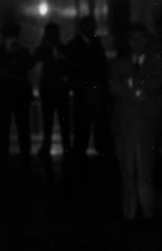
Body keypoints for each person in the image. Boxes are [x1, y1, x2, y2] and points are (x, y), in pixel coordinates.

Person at [109, 23, 162, 221]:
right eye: (133, 39)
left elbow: (156, 83)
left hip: (146, 126)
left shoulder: (155, 63)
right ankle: (129, 213)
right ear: (128, 42)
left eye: (141, 39)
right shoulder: (118, 63)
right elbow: (114, 87)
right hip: (125, 127)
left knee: (146, 170)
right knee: (127, 171)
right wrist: (137, 88)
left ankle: (147, 211)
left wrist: (131, 82)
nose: (137, 43)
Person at [0, 22, 34, 163]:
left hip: (12, 95)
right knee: (6, 127)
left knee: (17, 127)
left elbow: (29, 65)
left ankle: (19, 155)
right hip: (9, 95)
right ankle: (8, 156)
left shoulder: (17, 51)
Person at [66, 15, 110, 159]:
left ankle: (99, 149)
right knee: (82, 126)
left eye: (93, 26)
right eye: (90, 26)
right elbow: (74, 70)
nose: (93, 29)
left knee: (98, 125)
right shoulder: (74, 45)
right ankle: (81, 153)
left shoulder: (96, 43)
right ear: (83, 27)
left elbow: (102, 66)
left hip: (96, 91)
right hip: (83, 92)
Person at [32, 22, 70, 159]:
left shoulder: (63, 48)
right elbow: (34, 59)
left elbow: (68, 66)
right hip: (51, 88)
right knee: (50, 119)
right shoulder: (47, 49)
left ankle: (63, 146)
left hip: (57, 88)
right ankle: (52, 145)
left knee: (62, 119)